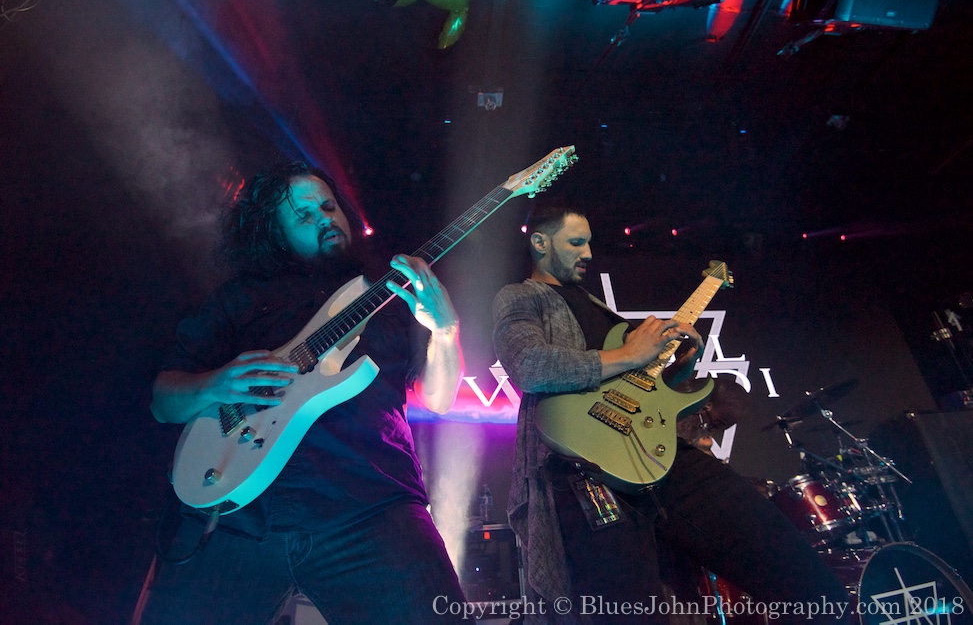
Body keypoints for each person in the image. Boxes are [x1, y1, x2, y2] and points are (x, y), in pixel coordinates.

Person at [140, 162, 468, 624]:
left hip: (371, 506)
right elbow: (163, 402)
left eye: (328, 206)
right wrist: (215, 383)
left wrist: (446, 330)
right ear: (275, 234)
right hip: (239, 515)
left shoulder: (387, 293)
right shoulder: (239, 299)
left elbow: (439, 398)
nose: (325, 219)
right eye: (304, 216)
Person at [492, 204, 850, 624]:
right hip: (584, 469)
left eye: (589, 241)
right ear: (539, 242)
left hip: (659, 453)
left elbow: (646, 385)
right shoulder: (519, 296)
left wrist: (682, 364)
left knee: (809, 583)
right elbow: (529, 365)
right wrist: (628, 353)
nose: (588, 252)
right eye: (576, 242)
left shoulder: (600, 309)